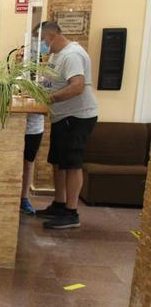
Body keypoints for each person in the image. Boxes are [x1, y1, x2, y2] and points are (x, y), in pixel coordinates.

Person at [34, 21, 98, 229]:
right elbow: (50, 81)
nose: (41, 44)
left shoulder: (72, 55)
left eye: (42, 40)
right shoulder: (56, 55)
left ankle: (71, 212)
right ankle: (59, 203)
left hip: (76, 116)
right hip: (62, 117)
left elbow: (77, 86)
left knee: (72, 163)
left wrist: (50, 99)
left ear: (51, 36)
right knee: (58, 162)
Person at [14, 45, 46, 214]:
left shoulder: (42, 80)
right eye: (18, 56)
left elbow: (46, 102)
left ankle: (23, 198)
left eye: (22, 56)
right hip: (15, 127)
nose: (19, 59)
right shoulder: (14, 78)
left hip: (33, 128)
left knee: (28, 163)